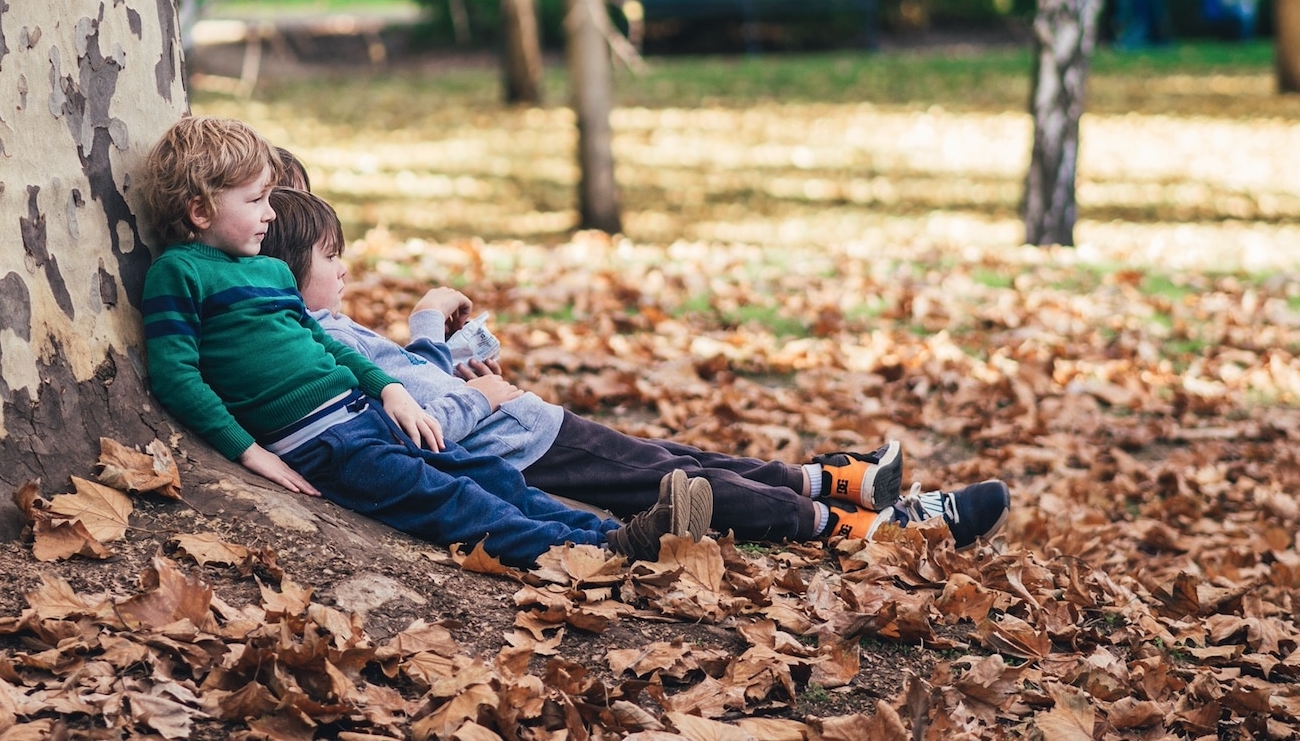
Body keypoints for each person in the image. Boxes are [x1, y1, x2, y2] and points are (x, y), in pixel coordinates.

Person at [258, 183, 1013, 551]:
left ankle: (836, 479)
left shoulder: (320, 325)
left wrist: (456, 357)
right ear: (287, 269)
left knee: (683, 458)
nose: (346, 269)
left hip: (529, 426)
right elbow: (426, 419)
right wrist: (462, 370)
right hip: (521, 446)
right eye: (332, 257)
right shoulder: (316, 338)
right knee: (687, 484)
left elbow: (420, 387)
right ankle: (871, 529)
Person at [139, 115, 714, 568]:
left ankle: (621, 536)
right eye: (256, 200)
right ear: (199, 208)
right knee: (452, 503)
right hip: (323, 444)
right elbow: (177, 376)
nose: (270, 214)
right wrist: (248, 451)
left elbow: (326, 346)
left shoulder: (270, 272)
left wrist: (389, 390)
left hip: (366, 413)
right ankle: (591, 557)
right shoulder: (181, 274)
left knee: (488, 477)